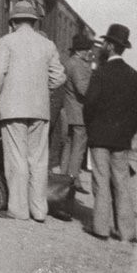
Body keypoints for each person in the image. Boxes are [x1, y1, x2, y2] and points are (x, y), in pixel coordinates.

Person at [0, 0, 66, 222]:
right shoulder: (47, 44)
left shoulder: (6, 42)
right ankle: (39, 210)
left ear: (13, 21)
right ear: (34, 21)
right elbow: (59, 77)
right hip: (40, 109)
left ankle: (18, 210)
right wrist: (40, 89)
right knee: (38, 160)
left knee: (16, 159)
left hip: (12, 108)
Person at [82, 24, 137, 242]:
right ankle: (127, 232)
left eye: (105, 44)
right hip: (121, 139)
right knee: (122, 183)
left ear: (109, 46)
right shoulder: (134, 76)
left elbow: (89, 104)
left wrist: (92, 128)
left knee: (101, 182)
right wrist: (128, 131)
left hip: (99, 137)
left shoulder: (100, 73)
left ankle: (101, 229)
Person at [60, 34, 96, 181]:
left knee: (69, 146)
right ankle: (72, 179)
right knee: (78, 148)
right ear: (82, 50)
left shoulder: (69, 62)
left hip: (70, 111)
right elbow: (83, 89)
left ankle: (62, 178)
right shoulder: (78, 65)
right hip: (79, 113)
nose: (90, 53)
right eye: (88, 50)